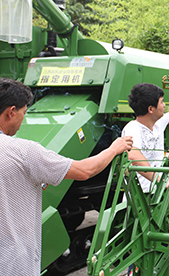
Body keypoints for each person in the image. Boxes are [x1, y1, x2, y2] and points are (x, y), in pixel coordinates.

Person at [0, 78, 133, 275]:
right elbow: (84, 170)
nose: (23, 120)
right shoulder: (23, 152)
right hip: (14, 261)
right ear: (11, 112)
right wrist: (114, 148)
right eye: (24, 113)